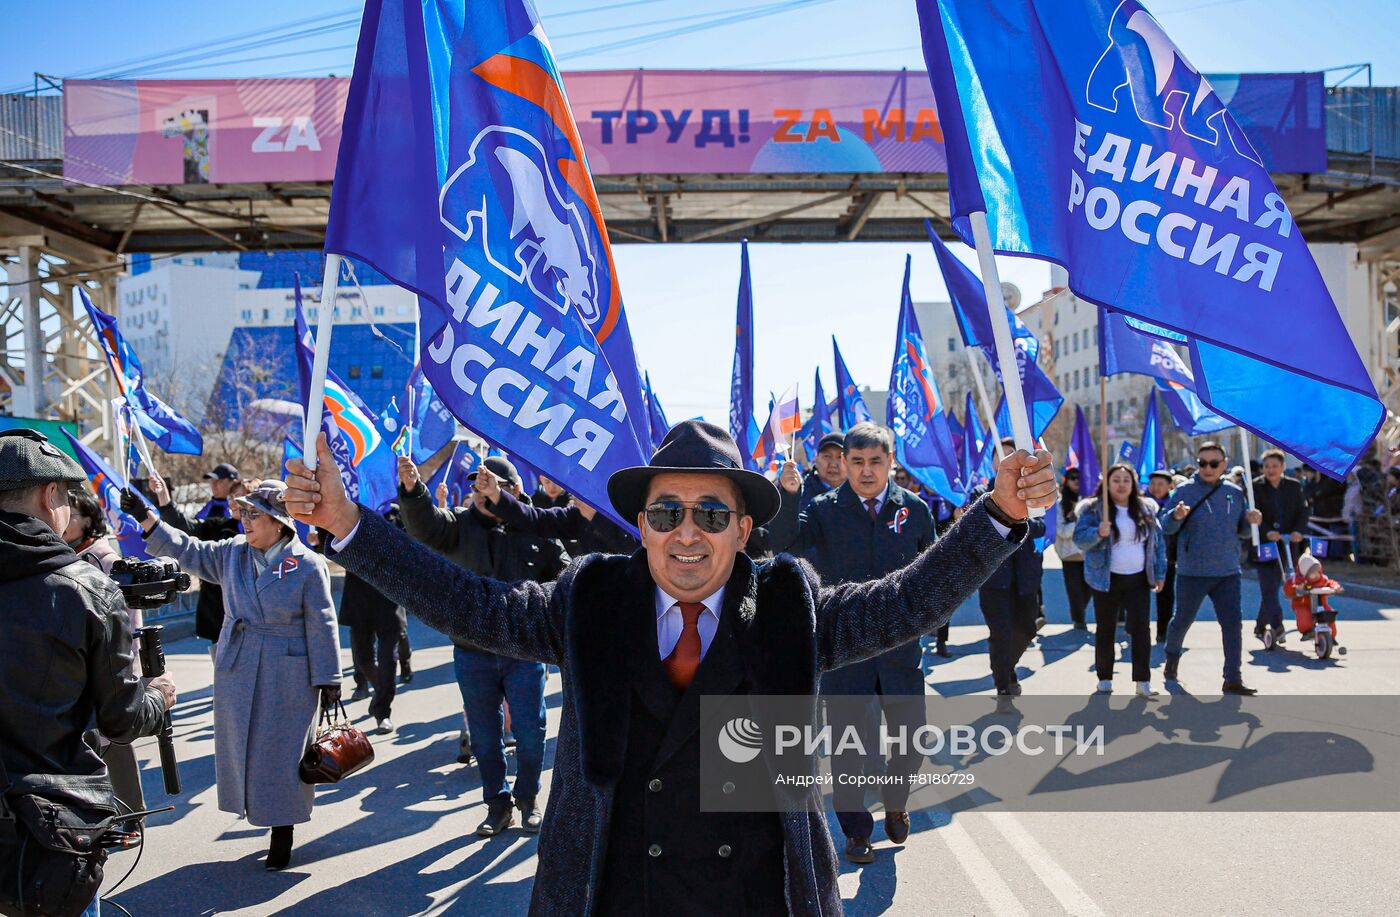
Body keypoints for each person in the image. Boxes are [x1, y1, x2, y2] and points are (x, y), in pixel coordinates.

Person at [284, 420, 1056, 917]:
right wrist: (351, 529)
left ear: (745, 528)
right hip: (614, 896)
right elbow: (468, 604)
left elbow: (907, 601)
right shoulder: (589, 597)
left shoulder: (791, 602)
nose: (688, 532)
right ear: (643, 526)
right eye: (666, 512)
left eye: (712, 514)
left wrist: (997, 517)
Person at [0, 429, 176, 917]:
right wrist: (158, 696)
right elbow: (122, 718)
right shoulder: (84, 588)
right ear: (48, 493)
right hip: (53, 831)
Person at [124, 479, 340, 870]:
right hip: (239, 664)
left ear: (279, 522)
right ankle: (255, 809)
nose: (245, 519)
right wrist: (147, 518)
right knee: (245, 748)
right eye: (244, 511)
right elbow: (188, 549)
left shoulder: (307, 564)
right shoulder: (232, 553)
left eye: (254, 513)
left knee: (282, 754)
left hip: (287, 669)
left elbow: (322, 622)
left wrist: (329, 679)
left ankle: (282, 829)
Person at [767, 423, 935, 864]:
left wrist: (933, 617)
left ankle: (896, 799)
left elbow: (934, 570)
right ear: (844, 463)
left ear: (890, 461)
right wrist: (788, 495)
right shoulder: (823, 509)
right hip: (847, 647)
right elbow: (782, 541)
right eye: (856, 462)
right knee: (847, 748)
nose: (865, 471)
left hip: (900, 650)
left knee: (911, 741)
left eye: (874, 461)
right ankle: (856, 830)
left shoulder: (914, 510)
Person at [396, 453, 565, 836]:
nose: (481, 492)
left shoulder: (535, 529)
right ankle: (497, 806)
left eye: (491, 486)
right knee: (485, 739)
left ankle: (528, 800)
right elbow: (425, 526)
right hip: (473, 654)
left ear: (514, 491)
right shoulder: (458, 525)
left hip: (524, 655)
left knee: (530, 733)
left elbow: (563, 578)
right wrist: (413, 490)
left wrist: (549, 625)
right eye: (476, 487)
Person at [1159, 441, 1264, 695]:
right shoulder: (1184, 490)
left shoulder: (1235, 492)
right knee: (1182, 620)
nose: (1208, 468)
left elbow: (1240, 532)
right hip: (1192, 571)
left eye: (1213, 463)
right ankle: (1171, 657)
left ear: (1224, 465)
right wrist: (1175, 516)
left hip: (1227, 571)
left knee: (1232, 625)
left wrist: (1252, 523)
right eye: (1202, 463)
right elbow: (1164, 525)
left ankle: (1232, 678)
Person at [1072, 464, 1167, 697]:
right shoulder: (1095, 509)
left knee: (1141, 630)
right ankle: (1104, 678)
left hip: (1138, 579)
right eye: (1116, 480)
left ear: (1133, 484)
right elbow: (1079, 539)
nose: (1121, 484)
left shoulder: (1145, 509)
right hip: (1106, 579)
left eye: (1126, 480)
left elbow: (1158, 544)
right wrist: (1098, 533)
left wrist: (1160, 573)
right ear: (1107, 483)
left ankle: (1143, 681)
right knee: (1106, 629)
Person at [973, 438, 1048, 697]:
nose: (1005, 460)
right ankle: (1003, 683)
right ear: (994, 462)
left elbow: (1041, 526)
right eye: (1001, 455)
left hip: (1025, 577)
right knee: (1001, 633)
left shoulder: (1030, 493)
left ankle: (1008, 669)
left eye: (1011, 455)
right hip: (994, 579)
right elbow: (976, 530)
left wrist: (1019, 518)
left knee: (1027, 629)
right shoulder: (979, 496)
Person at [147, 466, 245, 652]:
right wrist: (162, 502)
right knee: (224, 665)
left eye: (220, 480)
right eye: (233, 498)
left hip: (247, 613)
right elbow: (185, 532)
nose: (214, 485)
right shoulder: (218, 521)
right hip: (218, 605)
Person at [334, 508, 405, 734]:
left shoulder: (395, 515)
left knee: (388, 659)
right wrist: (319, 540)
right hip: (359, 601)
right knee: (363, 659)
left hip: (388, 600)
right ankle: (380, 689)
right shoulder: (350, 512)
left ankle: (382, 711)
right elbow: (334, 545)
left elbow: (408, 547)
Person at [1250, 449, 1309, 645]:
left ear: (1283, 467)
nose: (1271, 470)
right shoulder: (1255, 487)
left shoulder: (1293, 486)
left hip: (1289, 544)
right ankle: (1277, 625)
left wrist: (1298, 531)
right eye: (1267, 466)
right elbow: (1252, 513)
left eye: (1275, 466)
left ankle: (1260, 625)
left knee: (1277, 585)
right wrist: (1266, 530)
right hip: (1265, 544)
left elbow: (1303, 511)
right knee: (1269, 584)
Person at [1055, 467, 1090, 631]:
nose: (1076, 481)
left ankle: (1080, 612)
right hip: (1069, 555)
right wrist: (1076, 522)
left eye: (1079, 478)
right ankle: (1078, 620)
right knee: (1074, 590)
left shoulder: (1089, 503)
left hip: (1088, 553)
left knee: (1089, 588)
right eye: (1072, 478)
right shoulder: (1060, 505)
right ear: (1066, 482)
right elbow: (1061, 532)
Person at [1146, 470, 1178, 642]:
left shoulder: (1174, 506)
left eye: (1160, 484)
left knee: (1165, 594)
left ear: (1169, 486)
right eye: (1153, 484)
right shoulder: (1141, 503)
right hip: (1143, 558)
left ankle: (1163, 630)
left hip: (1167, 557)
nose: (1156, 488)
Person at [1283, 553, 1342, 641]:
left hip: (1320, 604)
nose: (1316, 575)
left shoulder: (1322, 579)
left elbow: (1330, 582)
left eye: (1318, 572)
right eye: (1312, 573)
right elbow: (1288, 589)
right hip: (1303, 604)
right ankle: (1307, 631)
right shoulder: (1297, 580)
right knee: (1303, 615)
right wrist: (1297, 588)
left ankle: (1331, 636)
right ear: (1305, 573)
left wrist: (1335, 587)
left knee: (1328, 613)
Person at [65, 486, 120, 574]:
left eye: (67, 515)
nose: (62, 522)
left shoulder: (110, 563)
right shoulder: (55, 557)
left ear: (87, 522)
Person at [800, 432, 846, 510]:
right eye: (827, 456)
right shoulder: (800, 493)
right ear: (816, 459)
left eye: (839, 457)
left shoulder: (861, 493)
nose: (833, 464)